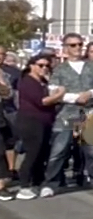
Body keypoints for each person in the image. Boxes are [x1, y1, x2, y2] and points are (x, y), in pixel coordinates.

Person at [46, 32, 93, 194]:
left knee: (92, 150)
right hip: (67, 113)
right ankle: (51, 183)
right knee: (59, 150)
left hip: (90, 112)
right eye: (73, 45)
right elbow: (53, 91)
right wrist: (75, 98)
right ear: (66, 48)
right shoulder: (59, 69)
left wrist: (89, 94)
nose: (78, 48)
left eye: (80, 44)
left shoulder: (92, 66)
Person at [6, 54, 60, 200]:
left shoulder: (42, 81)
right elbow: (41, 101)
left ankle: (37, 182)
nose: (44, 68)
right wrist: (59, 95)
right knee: (32, 153)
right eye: (40, 65)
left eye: (47, 66)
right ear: (31, 65)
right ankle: (24, 186)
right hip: (30, 121)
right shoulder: (27, 81)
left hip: (44, 121)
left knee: (42, 153)